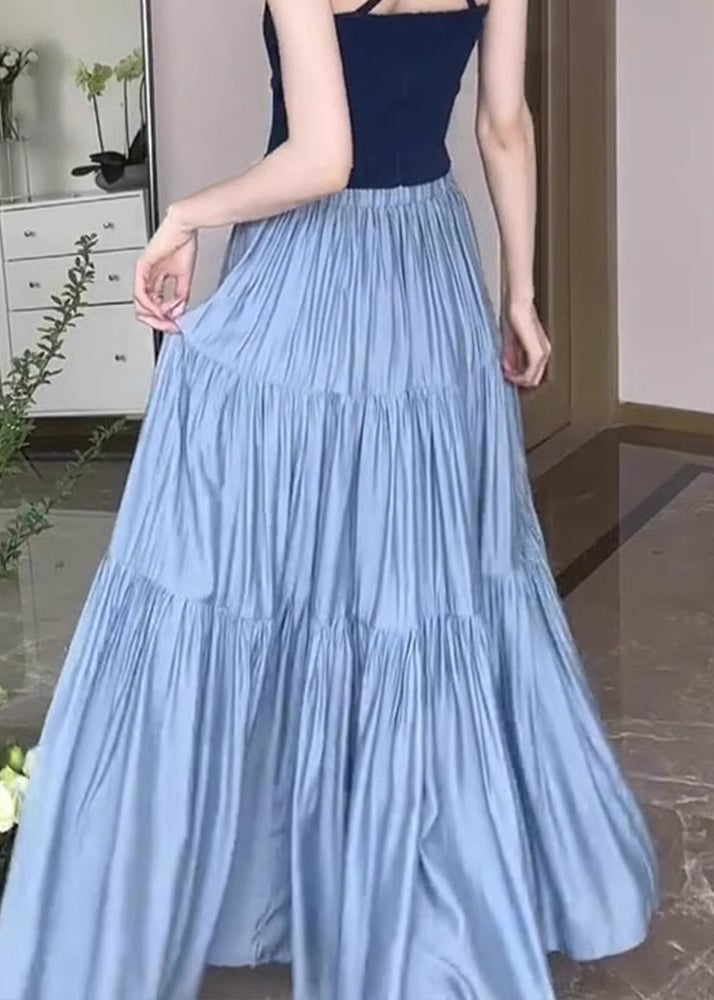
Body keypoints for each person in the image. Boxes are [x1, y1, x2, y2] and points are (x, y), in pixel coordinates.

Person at [0, 1, 658, 997]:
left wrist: (185, 215)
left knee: (271, 557)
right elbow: (503, 123)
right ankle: (429, 871)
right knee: (415, 574)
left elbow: (322, 160)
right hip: (431, 273)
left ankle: (261, 869)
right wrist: (521, 295)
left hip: (314, 273)